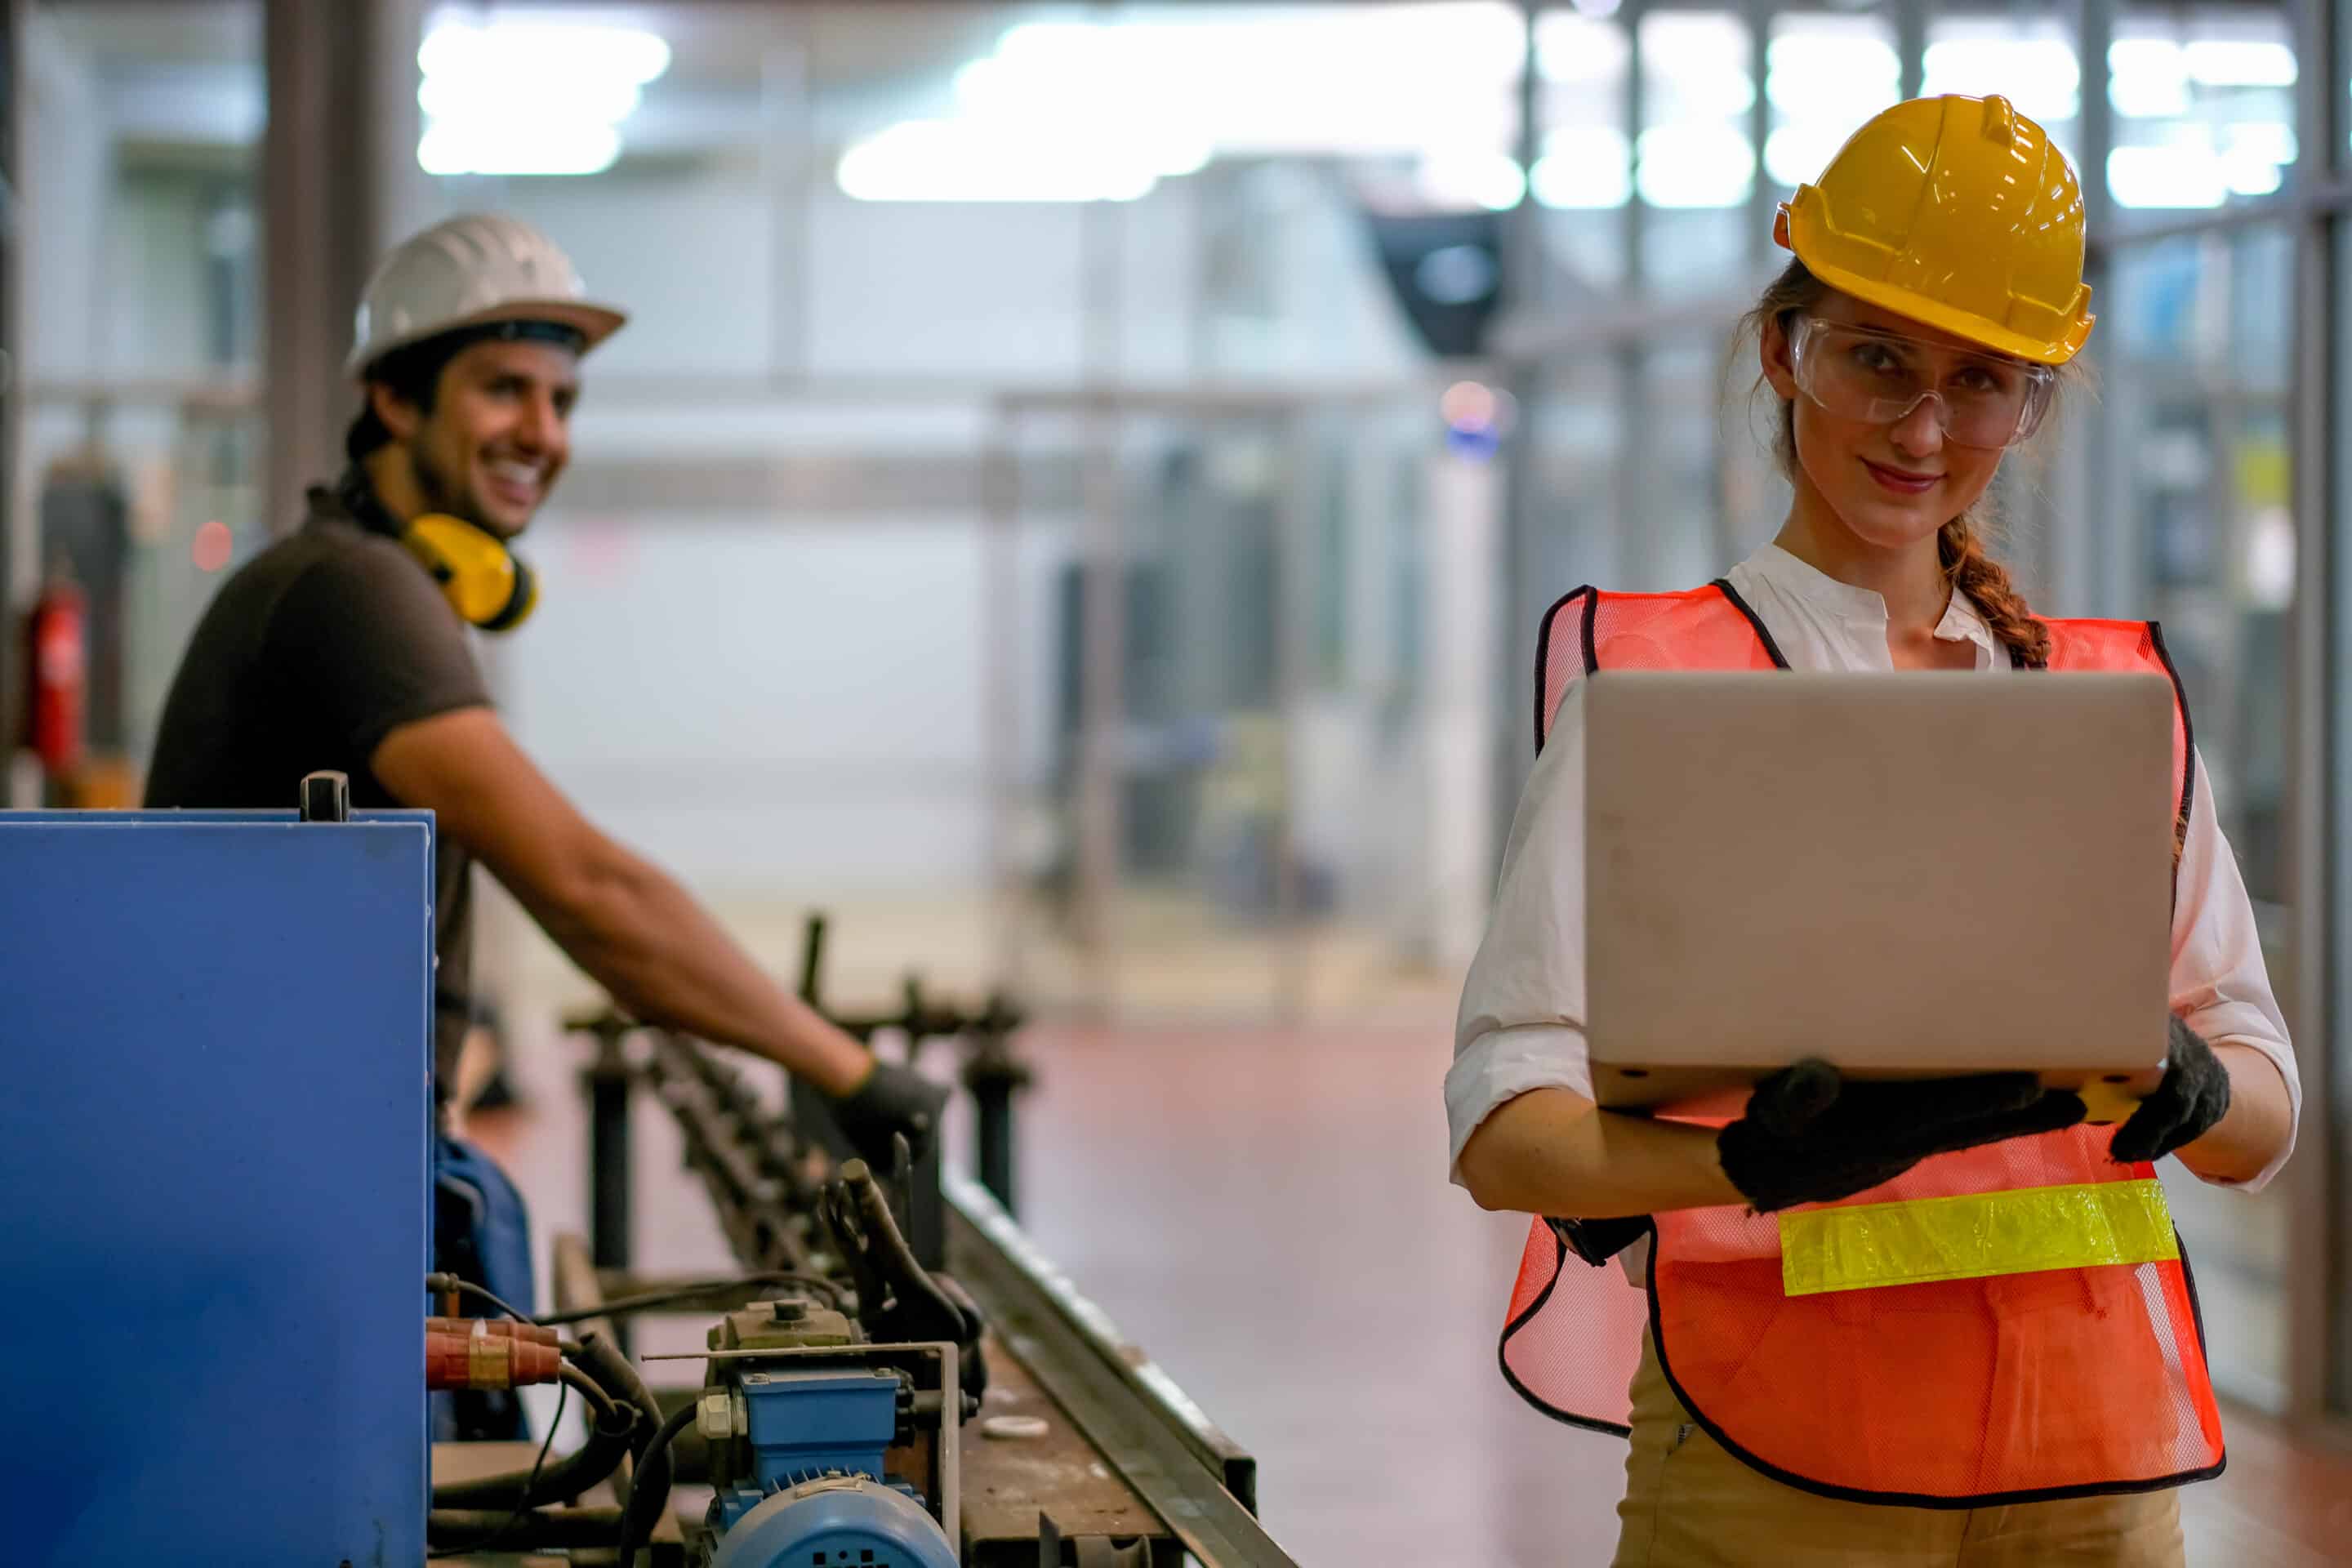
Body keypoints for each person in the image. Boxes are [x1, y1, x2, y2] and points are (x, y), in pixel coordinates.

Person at [1446, 96, 2298, 1566]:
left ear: (2031, 405)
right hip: (1775, 1462)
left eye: (1981, 382)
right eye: (1878, 359)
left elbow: (2263, 1118)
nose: (1923, 428)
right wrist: (1746, 1167)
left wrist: (2198, 1086)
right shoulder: (1658, 698)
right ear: (1787, 349)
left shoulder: (2107, 711)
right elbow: (1504, 1134)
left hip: (2091, 1477)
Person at [144, 214, 946, 1405]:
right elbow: (586, 888)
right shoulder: (357, 593)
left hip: (298, 1171)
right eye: (503, 389)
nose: (545, 433)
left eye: (563, 400)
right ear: (395, 400)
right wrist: (849, 1072)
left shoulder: (359, 579)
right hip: (276, 1205)